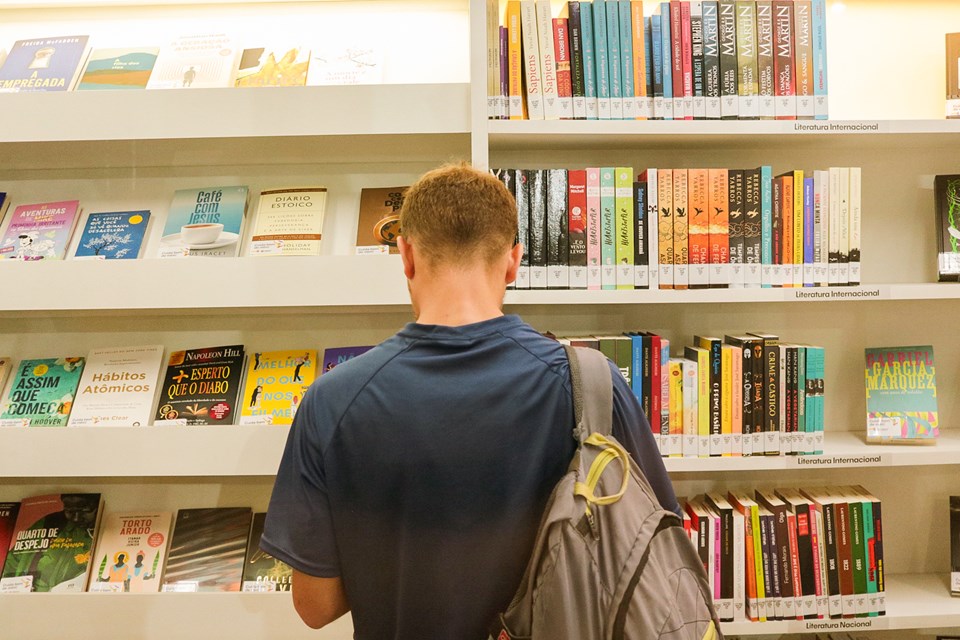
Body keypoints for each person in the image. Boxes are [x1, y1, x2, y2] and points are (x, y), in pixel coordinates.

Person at [261, 163, 679, 640]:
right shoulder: (592, 384)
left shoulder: (332, 400)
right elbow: (653, 549)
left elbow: (315, 606)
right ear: (513, 260)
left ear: (407, 255)